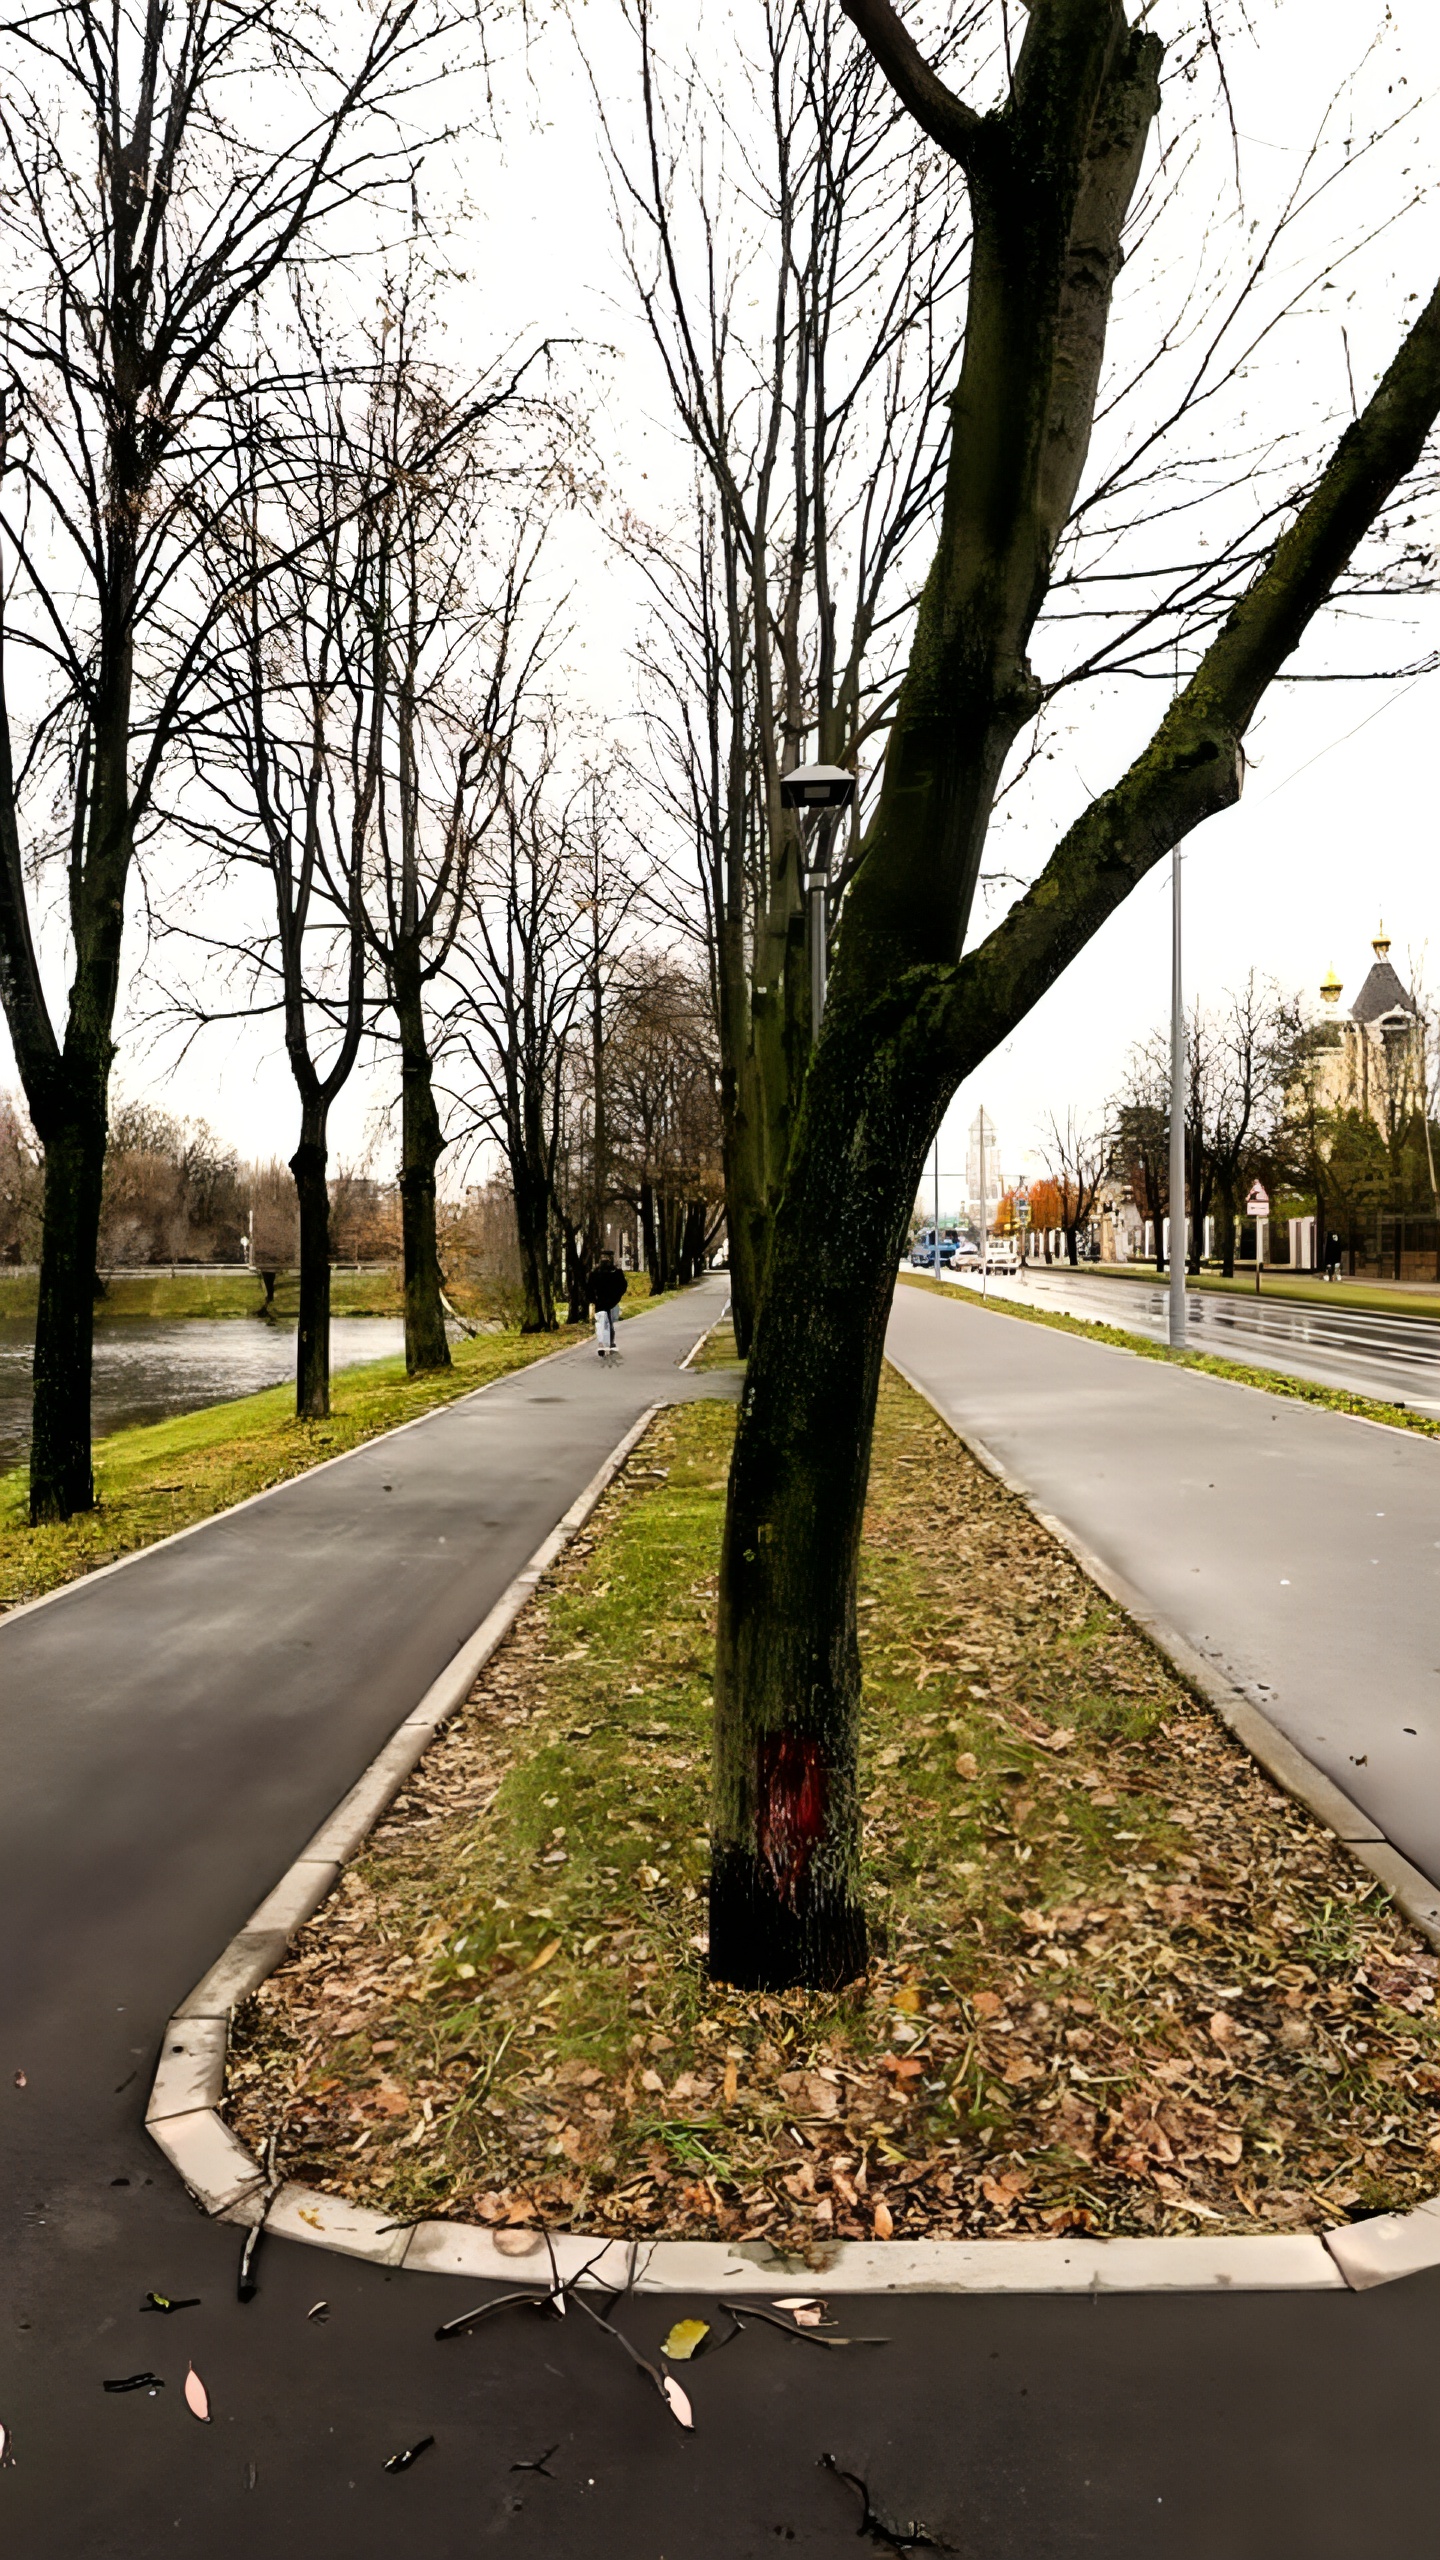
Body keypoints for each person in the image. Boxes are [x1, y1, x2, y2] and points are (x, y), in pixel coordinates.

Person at [587, 1249, 627, 1358]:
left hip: (609, 1301)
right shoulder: (598, 1272)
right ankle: (604, 1344)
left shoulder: (614, 1272)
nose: (605, 1259)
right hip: (604, 1301)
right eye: (604, 1257)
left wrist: (617, 1296)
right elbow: (590, 1287)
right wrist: (592, 1299)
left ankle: (606, 1343)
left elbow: (622, 1286)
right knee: (604, 1322)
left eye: (607, 1257)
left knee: (607, 1322)